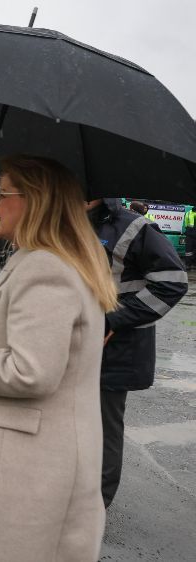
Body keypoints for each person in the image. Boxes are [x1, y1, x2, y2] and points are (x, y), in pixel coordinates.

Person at [0, 155, 119, 561]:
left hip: (19, 477)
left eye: (3, 193)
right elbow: (25, 339)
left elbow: (31, 371)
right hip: (23, 470)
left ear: (34, 200)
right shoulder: (44, 259)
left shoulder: (45, 268)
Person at [87, 197, 187, 508]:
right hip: (74, 344)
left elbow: (172, 282)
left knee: (103, 429)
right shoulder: (63, 220)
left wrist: (112, 319)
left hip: (115, 351)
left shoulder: (132, 227)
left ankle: (95, 506)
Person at [184, 205, 196, 270]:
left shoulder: (189, 213)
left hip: (190, 233)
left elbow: (186, 225)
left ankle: (193, 264)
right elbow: (186, 224)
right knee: (188, 250)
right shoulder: (188, 213)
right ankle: (188, 264)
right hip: (190, 234)